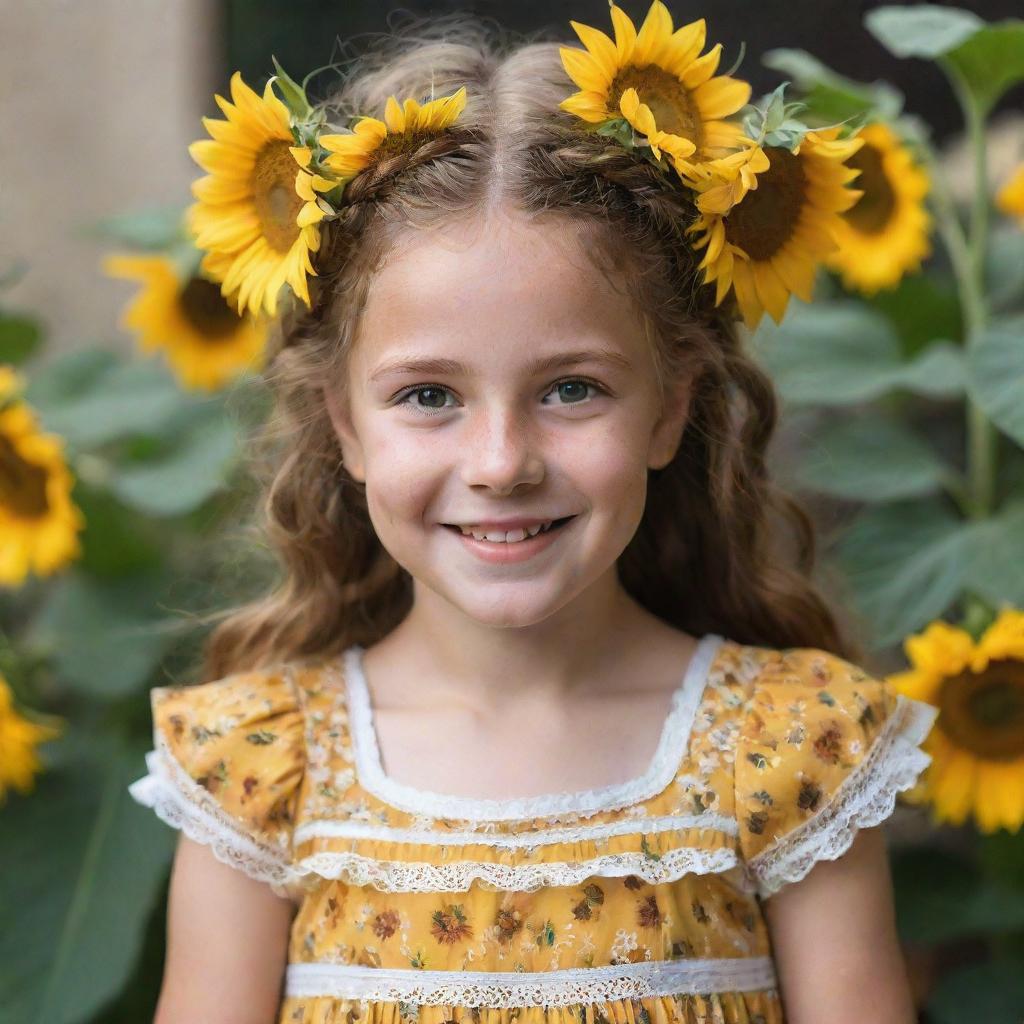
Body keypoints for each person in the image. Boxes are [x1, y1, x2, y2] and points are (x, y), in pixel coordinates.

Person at [128, 4, 938, 1022]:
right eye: (429, 395)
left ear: (671, 405)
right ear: (343, 422)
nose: (502, 462)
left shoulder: (789, 754)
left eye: (570, 390)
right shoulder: (259, 773)